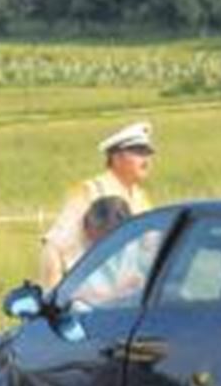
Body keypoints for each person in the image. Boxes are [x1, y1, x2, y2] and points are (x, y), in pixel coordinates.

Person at [39, 120, 155, 290]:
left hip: (126, 300)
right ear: (116, 157)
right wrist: (51, 300)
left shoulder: (141, 198)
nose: (146, 160)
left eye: (148, 153)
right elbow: (53, 247)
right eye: (138, 152)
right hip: (88, 299)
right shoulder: (90, 191)